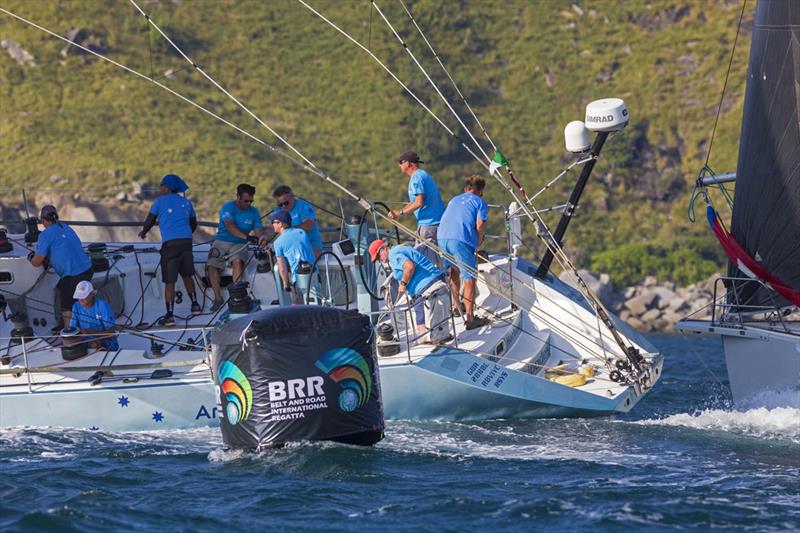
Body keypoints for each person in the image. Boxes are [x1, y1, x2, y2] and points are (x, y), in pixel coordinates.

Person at [138, 173, 201, 326]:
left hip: (170, 245)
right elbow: (193, 223)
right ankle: (195, 306)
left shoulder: (159, 202)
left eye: (161, 185)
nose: (160, 188)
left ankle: (170, 315)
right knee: (187, 275)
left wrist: (144, 232)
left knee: (169, 281)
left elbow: (150, 219)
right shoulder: (186, 203)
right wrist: (184, 235)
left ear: (167, 187)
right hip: (186, 242)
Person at [369, 239, 452, 344]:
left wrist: (403, 283)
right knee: (419, 316)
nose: (379, 260)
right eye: (377, 260)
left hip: (429, 287)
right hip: (424, 289)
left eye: (378, 257)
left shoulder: (393, 255)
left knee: (435, 334)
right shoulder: (398, 250)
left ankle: (434, 342)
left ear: (384, 249)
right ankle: (425, 338)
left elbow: (409, 266)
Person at [437, 175, 491, 330]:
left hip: (442, 238)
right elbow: (480, 224)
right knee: (470, 278)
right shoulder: (480, 202)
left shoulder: (454, 199)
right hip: (460, 240)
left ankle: (456, 307)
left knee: (454, 271)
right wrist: (478, 242)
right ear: (480, 191)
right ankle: (470, 318)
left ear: (466, 189)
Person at [207, 183, 270, 311]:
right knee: (212, 266)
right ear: (238, 197)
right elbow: (230, 226)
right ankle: (218, 298)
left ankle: (236, 297)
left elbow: (258, 231)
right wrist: (247, 237)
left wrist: (261, 239)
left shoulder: (254, 212)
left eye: (251, 201)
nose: (249, 204)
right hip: (222, 240)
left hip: (240, 244)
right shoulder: (227, 207)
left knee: (237, 262)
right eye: (246, 201)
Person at [29, 205, 93, 329]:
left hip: (73, 275)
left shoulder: (45, 235)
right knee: (58, 290)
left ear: (42, 220)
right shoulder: (65, 226)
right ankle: (64, 323)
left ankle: (70, 333)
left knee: (67, 305)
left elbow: (36, 262)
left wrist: (31, 257)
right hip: (87, 269)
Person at [388, 150, 446, 266]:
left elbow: (419, 202)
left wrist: (400, 212)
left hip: (429, 225)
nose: (399, 165)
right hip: (436, 223)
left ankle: (436, 283)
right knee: (437, 261)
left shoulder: (416, 178)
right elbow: (415, 201)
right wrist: (397, 212)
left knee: (428, 264)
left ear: (408, 163)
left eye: (401, 162)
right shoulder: (422, 174)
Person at [271, 210, 315, 305]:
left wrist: (286, 283)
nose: (272, 225)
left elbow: (282, 268)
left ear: (280, 224)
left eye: (273, 222)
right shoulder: (301, 232)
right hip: (314, 274)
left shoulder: (278, 242)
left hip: (299, 280)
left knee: (298, 310)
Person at [272, 185, 322, 257]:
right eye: (280, 204)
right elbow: (274, 228)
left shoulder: (304, 206)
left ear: (292, 197)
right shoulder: (278, 210)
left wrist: (288, 230)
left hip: (311, 245)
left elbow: (308, 225)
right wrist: (265, 236)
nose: (283, 206)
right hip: (289, 247)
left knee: (303, 260)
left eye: (286, 203)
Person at [70, 280, 119, 351]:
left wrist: (90, 332)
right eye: (79, 296)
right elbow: (73, 329)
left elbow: (111, 332)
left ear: (92, 294)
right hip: (84, 342)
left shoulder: (103, 305)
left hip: (105, 342)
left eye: (83, 296)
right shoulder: (76, 306)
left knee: (94, 345)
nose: (80, 299)